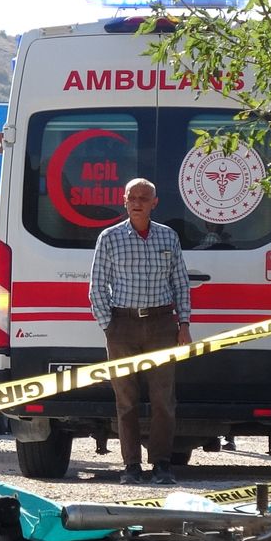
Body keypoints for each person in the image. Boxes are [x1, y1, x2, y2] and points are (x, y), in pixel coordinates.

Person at [89, 178, 191, 486]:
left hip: (162, 325)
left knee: (163, 400)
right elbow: (97, 287)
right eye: (132, 197)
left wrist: (183, 324)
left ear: (154, 203)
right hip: (122, 325)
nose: (137, 202)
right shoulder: (109, 238)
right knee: (126, 401)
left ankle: (161, 464)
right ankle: (130, 466)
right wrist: (110, 327)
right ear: (124, 201)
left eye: (144, 198)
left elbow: (180, 283)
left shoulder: (168, 237)